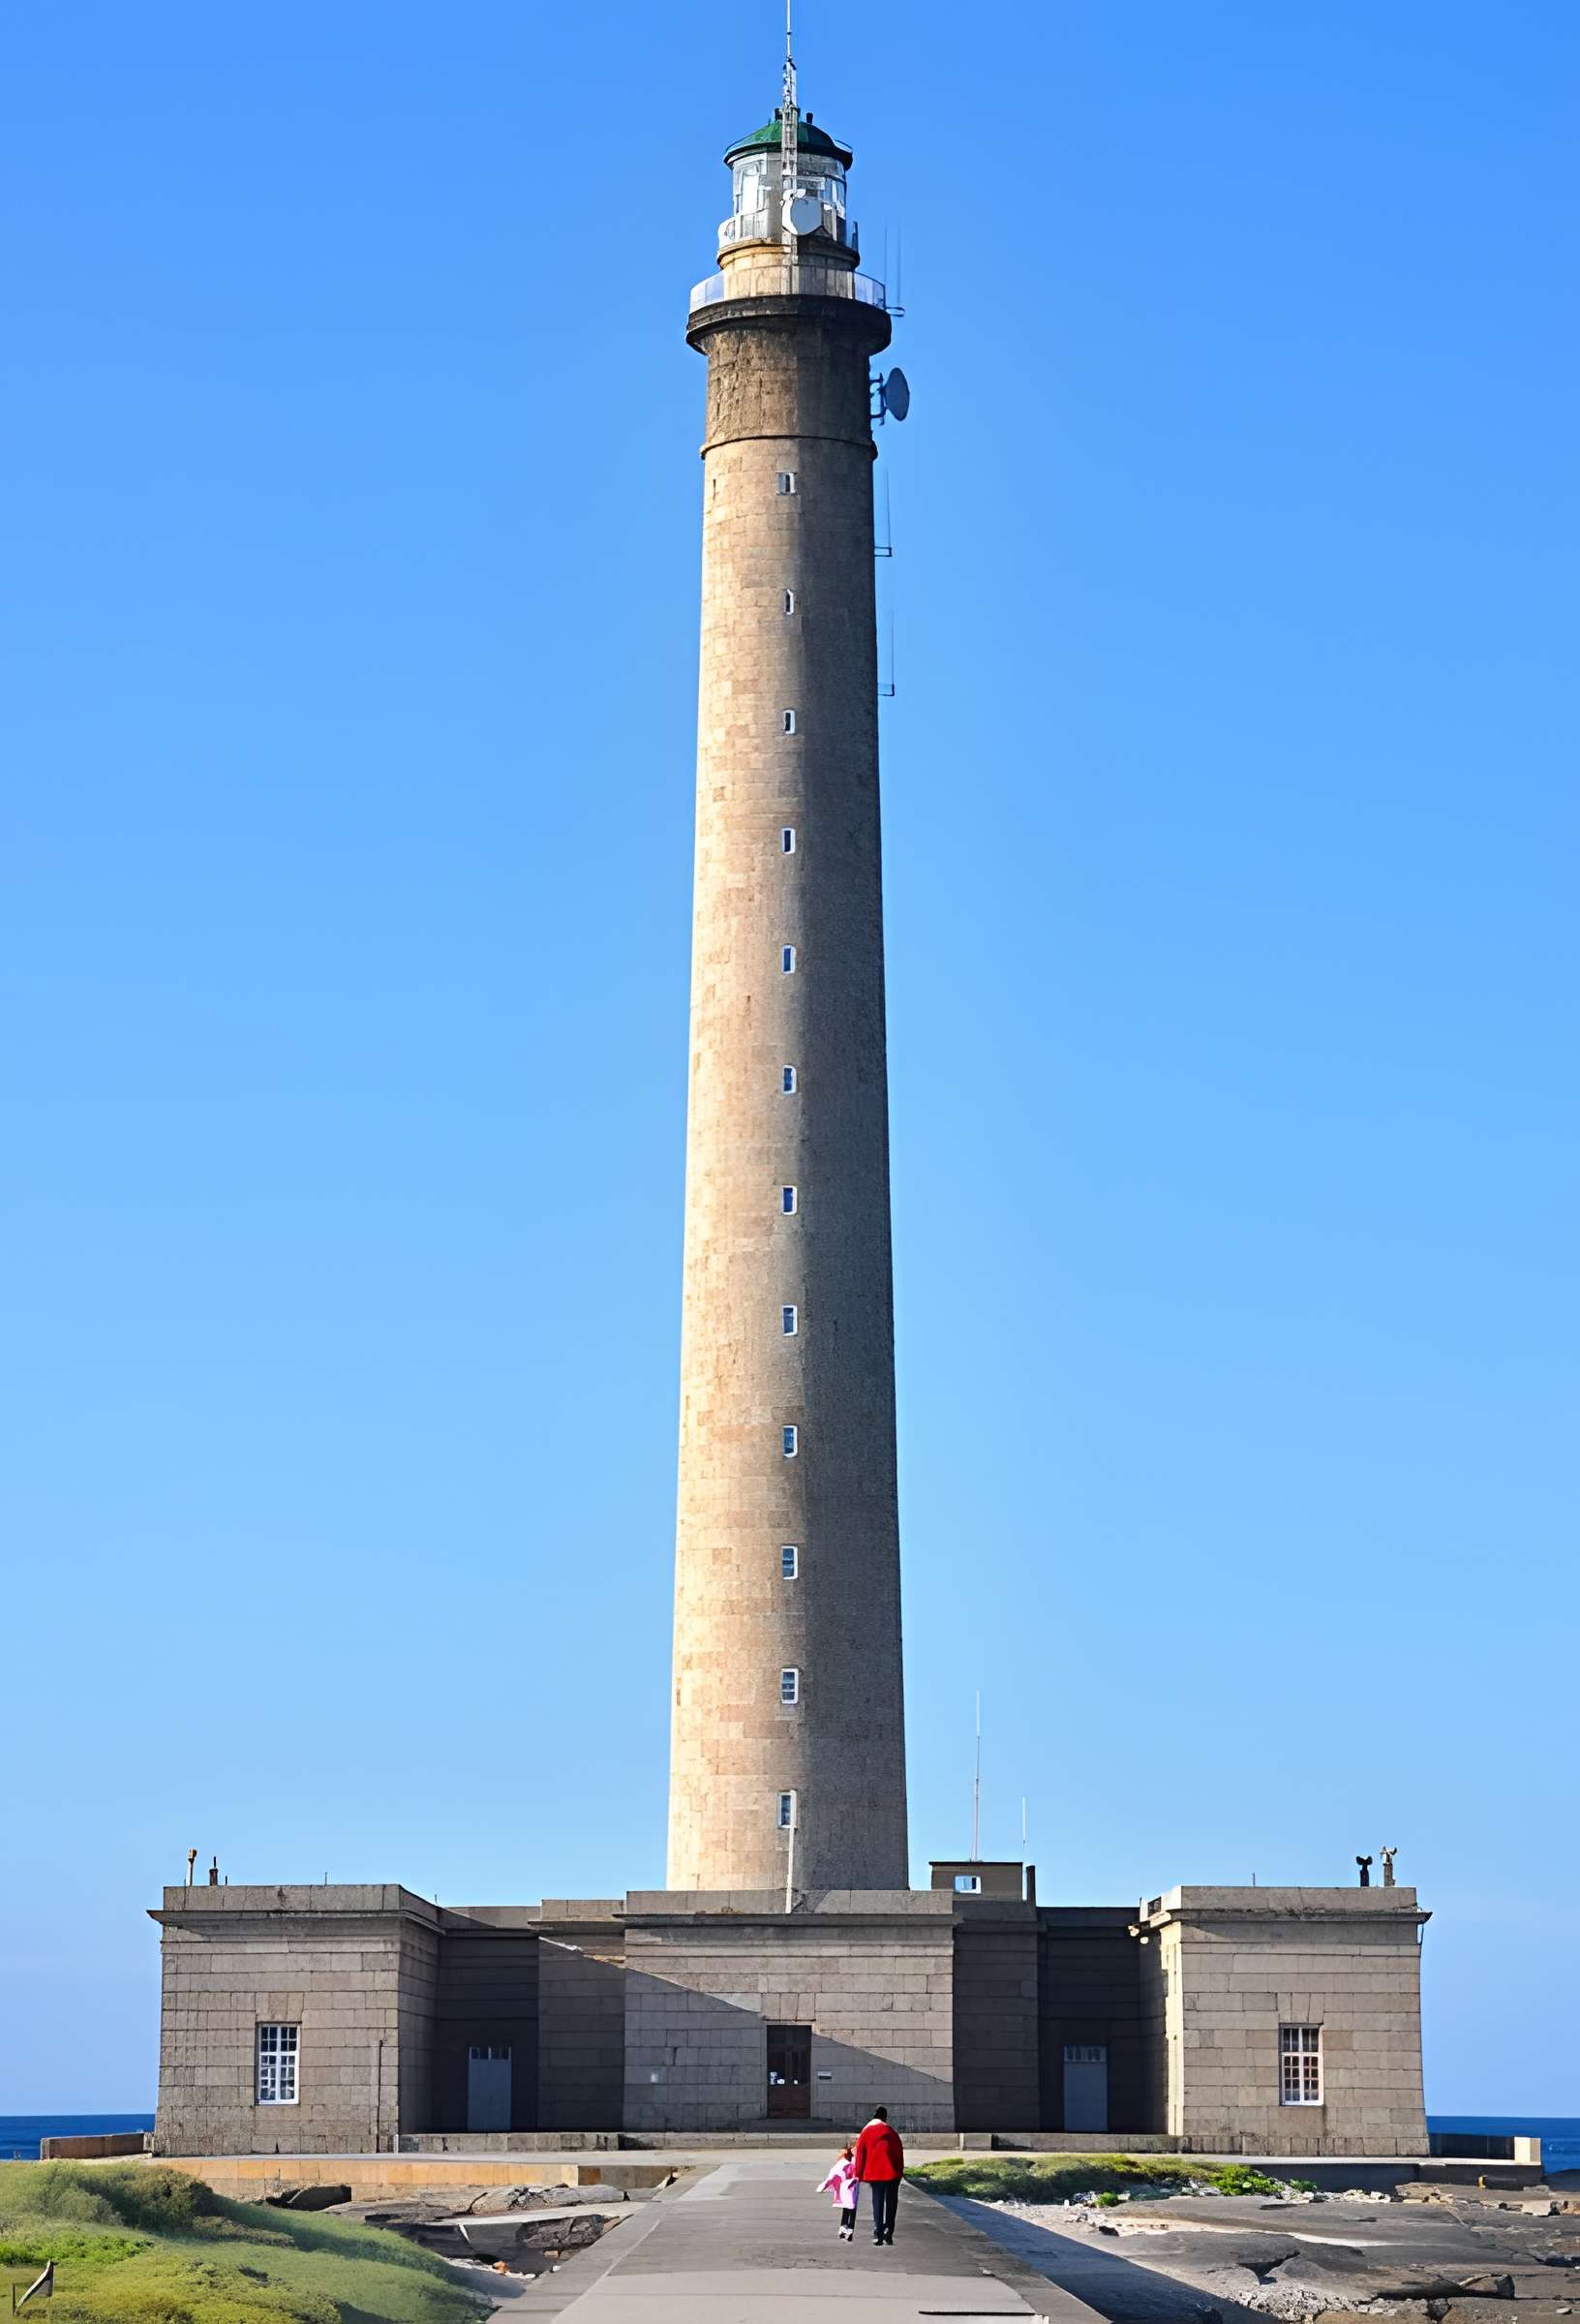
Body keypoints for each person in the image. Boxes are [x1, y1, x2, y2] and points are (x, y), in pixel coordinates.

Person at [852, 2104, 904, 2245]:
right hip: (892, 2172)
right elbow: (899, 2153)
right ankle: (889, 2230)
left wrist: (857, 2174)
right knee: (892, 2202)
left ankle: (878, 2232)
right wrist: (899, 2173)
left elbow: (860, 2155)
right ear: (885, 2117)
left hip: (875, 2173)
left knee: (878, 2202)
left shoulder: (866, 2131)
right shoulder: (891, 2131)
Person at [816, 2142, 860, 2241]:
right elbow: (833, 2174)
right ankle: (844, 2227)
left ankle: (849, 2228)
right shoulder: (845, 2161)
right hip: (846, 2187)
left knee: (851, 2208)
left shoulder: (855, 2160)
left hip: (853, 2186)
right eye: (853, 2149)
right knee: (847, 2208)